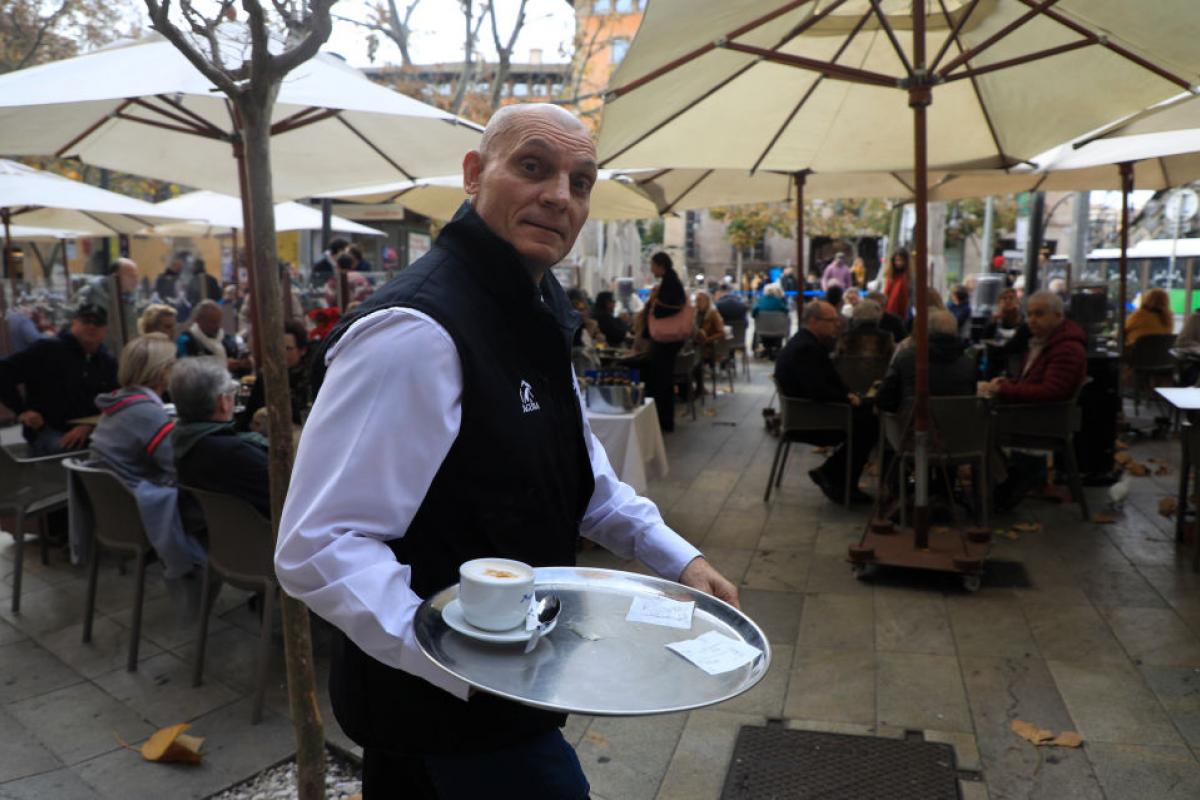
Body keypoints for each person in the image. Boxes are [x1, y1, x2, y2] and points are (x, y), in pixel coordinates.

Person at [274, 103, 736, 799]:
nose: (559, 196)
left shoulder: (536, 306)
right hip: (444, 713)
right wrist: (459, 659)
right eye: (533, 167)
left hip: (511, 696)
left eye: (580, 182)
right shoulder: (417, 331)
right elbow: (318, 545)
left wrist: (680, 559)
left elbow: (584, 479)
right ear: (473, 174)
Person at [90, 334, 206, 585]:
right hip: (141, 514)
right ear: (163, 371)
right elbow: (179, 468)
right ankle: (214, 570)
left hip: (118, 511)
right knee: (221, 501)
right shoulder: (146, 413)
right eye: (173, 363)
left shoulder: (117, 404)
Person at [774, 301, 877, 505]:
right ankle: (837, 478)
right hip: (810, 419)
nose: (837, 325)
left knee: (868, 416)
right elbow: (818, 390)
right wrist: (848, 399)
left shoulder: (805, 343)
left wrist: (849, 395)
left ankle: (835, 474)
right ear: (814, 321)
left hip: (807, 411)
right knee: (871, 423)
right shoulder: (806, 348)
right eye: (831, 321)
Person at [0, 304, 117, 455]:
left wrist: (89, 426)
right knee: (64, 448)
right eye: (86, 321)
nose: (91, 326)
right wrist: (21, 411)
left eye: (98, 323)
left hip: (94, 431)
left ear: (105, 330)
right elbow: (3, 372)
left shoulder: (107, 361)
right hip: (51, 431)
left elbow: (114, 401)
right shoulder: (48, 350)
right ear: (74, 323)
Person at [170, 358, 271, 517]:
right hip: (261, 530)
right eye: (232, 391)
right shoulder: (235, 452)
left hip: (209, 529)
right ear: (223, 402)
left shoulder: (178, 440)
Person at [876, 310, 976, 412]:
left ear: (926, 330)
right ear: (955, 331)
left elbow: (884, 400)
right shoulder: (968, 363)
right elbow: (971, 398)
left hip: (913, 419)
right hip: (957, 420)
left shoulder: (906, 357)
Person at [237, 320, 312, 430]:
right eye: (279, 347)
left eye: (288, 349)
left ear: (302, 350)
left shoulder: (309, 377)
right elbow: (247, 420)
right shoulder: (265, 377)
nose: (282, 353)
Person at [645, 251, 689, 432]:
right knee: (663, 379)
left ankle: (663, 420)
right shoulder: (671, 280)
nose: (651, 269)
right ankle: (663, 419)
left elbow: (667, 309)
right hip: (670, 339)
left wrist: (654, 303)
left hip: (665, 340)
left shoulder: (670, 283)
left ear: (661, 266)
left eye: (653, 265)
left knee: (661, 380)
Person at [79, 258, 140, 354]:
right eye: (131, 276)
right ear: (115, 276)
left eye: (136, 276)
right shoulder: (90, 295)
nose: (136, 280)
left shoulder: (130, 300)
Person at [177, 300, 251, 376]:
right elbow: (188, 371)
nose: (218, 326)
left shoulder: (226, 339)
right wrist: (222, 366)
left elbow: (240, 369)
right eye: (213, 322)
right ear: (198, 320)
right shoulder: (186, 341)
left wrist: (242, 364)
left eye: (219, 321)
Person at [692, 290, 726, 397]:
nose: (697, 303)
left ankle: (699, 387)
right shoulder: (694, 313)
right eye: (696, 300)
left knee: (694, 358)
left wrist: (708, 339)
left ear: (707, 301)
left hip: (709, 348)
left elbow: (721, 333)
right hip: (696, 344)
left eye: (699, 300)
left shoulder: (713, 314)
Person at [752, 283, 789, 358]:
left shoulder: (759, 301)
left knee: (758, 330)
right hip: (777, 330)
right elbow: (786, 311)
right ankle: (775, 349)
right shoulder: (778, 302)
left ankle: (763, 349)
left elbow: (753, 313)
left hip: (762, 330)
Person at [883, 249, 911, 321]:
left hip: (903, 310)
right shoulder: (891, 276)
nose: (898, 263)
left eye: (901, 260)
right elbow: (886, 293)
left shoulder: (906, 277)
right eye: (897, 260)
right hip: (890, 310)